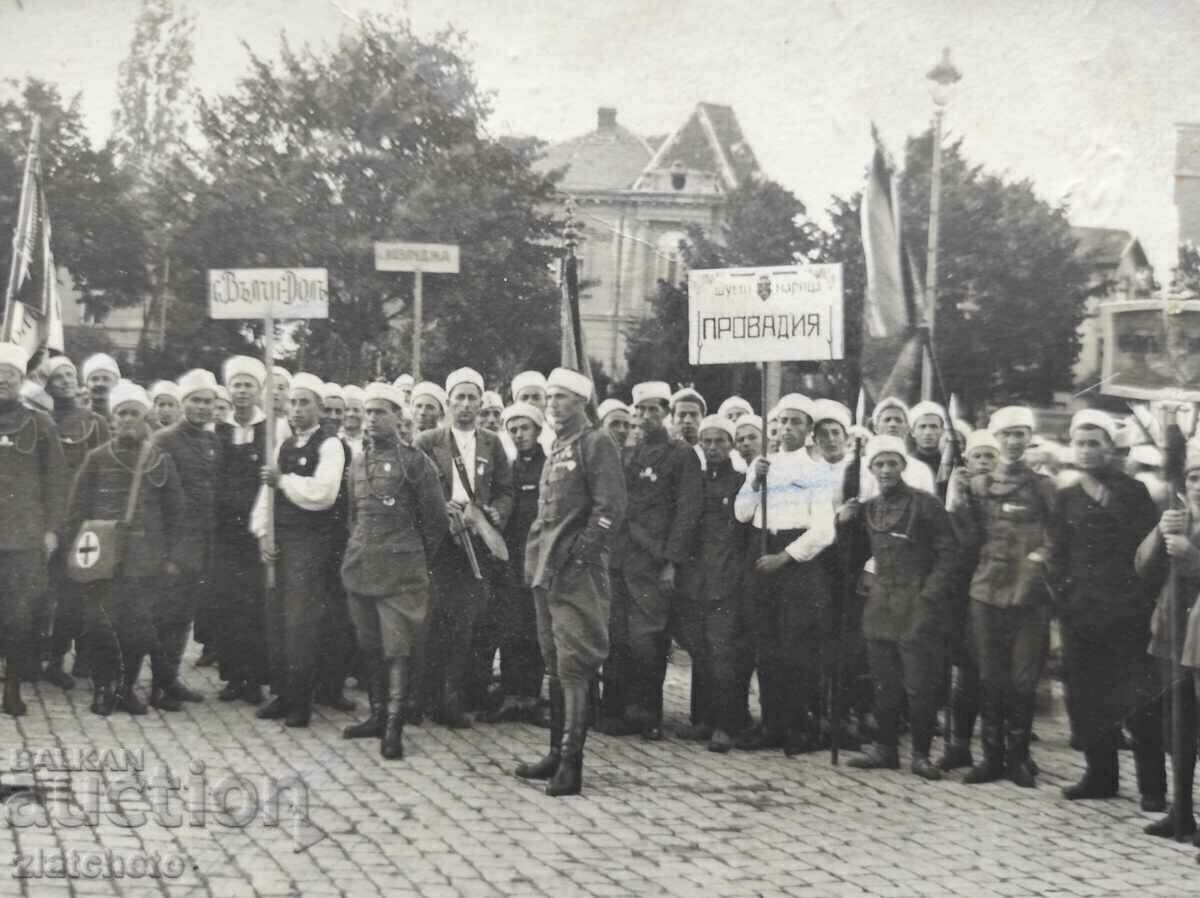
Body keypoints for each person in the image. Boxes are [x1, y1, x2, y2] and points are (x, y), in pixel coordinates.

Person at [515, 368, 626, 796]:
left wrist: (581, 555)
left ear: (581, 402)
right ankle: (555, 754)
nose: (553, 405)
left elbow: (610, 507)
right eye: (549, 398)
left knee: (575, 665)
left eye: (562, 398)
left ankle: (572, 763)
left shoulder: (596, 442)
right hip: (547, 570)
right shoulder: (558, 445)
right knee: (555, 664)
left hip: (577, 571)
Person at [1047, 409, 1164, 809]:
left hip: (1128, 615)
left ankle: (1153, 788)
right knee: (1087, 698)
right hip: (1082, 614)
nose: (1085, 450)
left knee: (1138, 701)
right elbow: (1057, 554)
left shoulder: (1134, 493)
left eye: (1094, 443)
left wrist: (1140, 602)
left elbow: (1151, 553)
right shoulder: (1065, 496)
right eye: (1079, 443)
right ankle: (1100, 776)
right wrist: (1065, 597)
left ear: (1110, 449)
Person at [341, 382, 447, 758]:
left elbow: (435, 521)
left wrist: (413, 555)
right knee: (369, 645)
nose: (370, 419)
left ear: (398, 418)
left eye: (379, 412)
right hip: (362, 564)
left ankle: (393, 726)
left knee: (397, 647)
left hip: (401, 570)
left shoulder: (416, 463)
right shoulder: (357, 461)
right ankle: (375, 713)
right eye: (367, 412)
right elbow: (354, 515)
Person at [950, 406, 1054, 788]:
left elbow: (1057, 535)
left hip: (1029, 595)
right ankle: (992, 758)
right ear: (995, 439)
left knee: (1024, 681)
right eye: (1007, 435)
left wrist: (1039, 559)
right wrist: (956, 500)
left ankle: (1019, 757)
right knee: (991, 678)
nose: (1013, 442)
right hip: (987, 590)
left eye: (1020, 434)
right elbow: (966, 540)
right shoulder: (977, 486)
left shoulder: (1044, 486)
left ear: (1029, 439)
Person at [845, 435, 958, 780]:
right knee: (883, 682)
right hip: (880, 604)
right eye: (879, 464)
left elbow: (950, 553)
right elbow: (854, 555)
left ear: (903, 466)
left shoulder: (926, 504)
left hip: (916, 603)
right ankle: (886, 749)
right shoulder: (868, 509)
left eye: (892, 463)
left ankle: (922, 755)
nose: (886, 470)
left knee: (918, 684)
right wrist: (844, 521)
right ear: (871, 469)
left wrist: (930, 595)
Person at [67, 382, 183, 716]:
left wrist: (171, 557)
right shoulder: (97, 457)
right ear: (113, 419)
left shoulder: (160, 460)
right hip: (102, 558)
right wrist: (76, 555)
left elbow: (175, 513)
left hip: (144, 561)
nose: (129, 419)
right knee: (101, 625)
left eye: (135, 412)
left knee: (135, 627)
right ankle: (104, 688)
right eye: (122, 413)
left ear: (145, 416)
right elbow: (76, 510)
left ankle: (125, 688)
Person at [734, 393, 834, 754]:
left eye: (795, 422)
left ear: (808, 429)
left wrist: (785, 558)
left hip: (796, 563)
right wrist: (754, 482)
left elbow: (824, 531)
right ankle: (772, 724)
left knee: (797, 649)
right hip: (761, 553)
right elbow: (743, 514)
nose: (786, 428)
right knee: (767, 647)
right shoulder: (763, 464)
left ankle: (801, 727)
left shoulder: (816, 470)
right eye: (782, 421)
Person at [414, 367, 513, 727]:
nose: (466, 405)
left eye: (473, 398)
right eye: (460, 397)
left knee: (464, 625)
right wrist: (440, 507)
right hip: (439, 543)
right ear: (448, 402)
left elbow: (505, 490)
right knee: (430, 621)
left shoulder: (492, 442)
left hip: (476, 543)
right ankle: (420, 698)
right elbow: (415, 489)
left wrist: (494, 514)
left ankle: (450, 700)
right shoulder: (428, 441)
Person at [251, 372, 346, 727]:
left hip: (311, 543)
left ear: (320, 408)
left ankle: (301, 701)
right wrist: (263, 534)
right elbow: (267, 493)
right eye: (292, 402)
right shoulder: (284, 445)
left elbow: (324, 493)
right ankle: (283, 692)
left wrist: (284, 481)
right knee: (276, 618)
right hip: (282, 539)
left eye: (305, 402)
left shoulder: (330, 445)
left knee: (300, 622)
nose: (297, 408)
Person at [618, 381, 701, 740]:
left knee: (648, 641)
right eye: (642, 410)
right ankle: (626, 710)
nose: (647, 416)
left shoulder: (680, 454)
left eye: (655, 410)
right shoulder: (628, 454)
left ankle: (649, 714)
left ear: (666, 413)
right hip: (626, 560)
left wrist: (670, 562)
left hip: (656, 562)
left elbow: (687, 511)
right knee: (622, 639)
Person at [148, 369, 221, 711]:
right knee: (166, 615)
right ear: (182, 403)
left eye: (209, 401)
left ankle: (171, 679)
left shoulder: (211, 441)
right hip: (174, 545)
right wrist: (165, 552)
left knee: (183, 618)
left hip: (201, 543)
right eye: (196, 401)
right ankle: (159, 686)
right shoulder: (164, 440)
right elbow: (155, 499)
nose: (203, 407)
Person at [0, 343, 66, 716]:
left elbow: (56, 480)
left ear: (21, 379)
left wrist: (52, 529)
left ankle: (12, 688)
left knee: (18, 616)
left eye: (9, 375)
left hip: (23, 538)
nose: (2, 381)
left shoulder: (39, 423)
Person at [675, 415, 748, 752]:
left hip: (726, 579)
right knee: (700, 651)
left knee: (723, 654)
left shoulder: (743, 482)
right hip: (696, 580)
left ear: (731, 445)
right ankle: (702, 719)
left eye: (721, 441)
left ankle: (727, 724)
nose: (714, 447)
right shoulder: (697, 481)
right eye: (708, 442)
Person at [1138, 447, 1200, 843]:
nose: (1199, 486)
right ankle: (1181, 811)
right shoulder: (1178, 518)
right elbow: (1142, 568)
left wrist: (1193, 556)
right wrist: (1161, 534)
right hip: (1171, 633)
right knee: (1177, 728)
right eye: (1194, 477)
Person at [37, 355, 108, 688]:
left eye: (69, 374)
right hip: (48, 519)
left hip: (84, 521)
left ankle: (83, 656)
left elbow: (106, 471)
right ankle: (45, 658)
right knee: (45, 593)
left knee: (81, 592)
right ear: (47, 385)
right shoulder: (39, 419)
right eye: (57, 377)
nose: (65, 381)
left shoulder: (94, 423)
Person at [937, 429, 1001, 771]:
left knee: (998, 675)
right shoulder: (958, 494)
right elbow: (957, 541)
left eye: (990, 456)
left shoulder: (1003, 493)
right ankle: (959, 744)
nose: (984, 463)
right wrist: (956, 500)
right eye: (978, 456)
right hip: (964, 591)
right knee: (967, 672)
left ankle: (1003, 750)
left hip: (999, 589)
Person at [486, 401, 548, 722]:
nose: (519, 435)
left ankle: (530, 696)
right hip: (511, 560)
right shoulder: (506, 470)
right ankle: (511, 694)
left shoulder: (548, 467)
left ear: (538, 430)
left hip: (538, 559)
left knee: (535, 628)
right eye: (513, 430)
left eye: (525, 428)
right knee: (511, 626)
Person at [213, 355, 270, 704]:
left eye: (249, 385)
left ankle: (254, 678)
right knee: (227, 604)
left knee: (255, 605)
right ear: (229, 390)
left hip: (256, 529)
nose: (243, 391)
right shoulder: (220, 430)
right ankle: (232, 676)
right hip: (225, 532)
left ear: (258, 390)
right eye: (237, 385)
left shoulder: (270, 430)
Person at [860, 397, 936, 499]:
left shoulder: (921, 470)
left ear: (908, 428)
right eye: (887, 420)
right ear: (876, 428)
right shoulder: (861, 466)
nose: (892, 424)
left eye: (898, 420)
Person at [511, 370, 555, 455]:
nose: (530, 402)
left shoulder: (556, 431)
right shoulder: (507, 435)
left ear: (546, 401)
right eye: (524, 398)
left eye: (536, 397)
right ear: (515, 402)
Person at [670, 387, 706, 467]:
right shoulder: (664, 453)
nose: (687, 420)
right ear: (672, 419)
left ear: (703, 418)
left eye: (693, 415)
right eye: (682, 415)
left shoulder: (710, 454)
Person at [81, 353, 120, 419]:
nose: (100, 383)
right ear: (86, 384)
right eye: (94, 379)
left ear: (116, 383)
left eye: (106, 379)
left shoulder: (123, 419)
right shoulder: (79, 417)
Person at [341, 385, 366, 457]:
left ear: (364, 413)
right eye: (346, 410)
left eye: (356, 410)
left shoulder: (370, 439)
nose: (350, 414)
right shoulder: (334, 438)